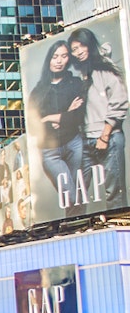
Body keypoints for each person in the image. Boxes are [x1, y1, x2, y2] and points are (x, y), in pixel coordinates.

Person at [71, 26, 129, 208]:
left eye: (81, 46)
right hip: (86, 140)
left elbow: (119, 101)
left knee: (115, 194)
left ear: (89, 45)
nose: (78, 52)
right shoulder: (83, 73)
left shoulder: (104, 69)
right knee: (76, 194)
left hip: (108, 137)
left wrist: (105, 135)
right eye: (74, 49)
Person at [29, 41, 87, 209]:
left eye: (64, 56)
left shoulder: (75, 83)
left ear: (69, 59)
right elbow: (34, 127)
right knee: (72, 197)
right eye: (55, 57)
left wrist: (48, 118)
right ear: (49, 59)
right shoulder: (38, 91)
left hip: (74, 143)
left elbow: (79, 115)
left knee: (79, 198)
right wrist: (65, 114)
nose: (59, 61)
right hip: (50, 151)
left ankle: (77, 232)